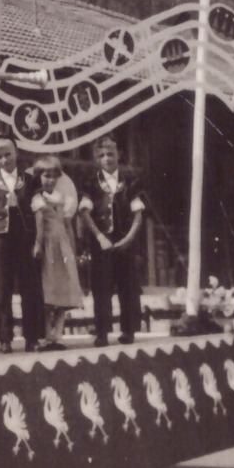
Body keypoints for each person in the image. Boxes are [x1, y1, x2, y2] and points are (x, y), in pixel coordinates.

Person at [0, 135, 45, 352]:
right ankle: (5, 339)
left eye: (7, 154)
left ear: (16, 153)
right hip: (0, 239)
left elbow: (39, 211)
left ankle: (31, 338)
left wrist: (38, 242)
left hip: (24, 237)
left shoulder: (30, 179)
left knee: (29, 288)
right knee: (2, 289)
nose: (4, 160)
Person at [78, 136, 146, 347]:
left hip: (125, 242)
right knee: (101, 287)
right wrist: (99, 237)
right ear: (97, 159)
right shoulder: (91, 183)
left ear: (119, 155)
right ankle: (102, 333)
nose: (106, 158)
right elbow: (85, 212)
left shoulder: (130, 181)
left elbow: (138, 214)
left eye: (110, 154)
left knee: (129, 286)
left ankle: (129, 330)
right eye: (102, 155)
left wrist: (128, 239)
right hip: (102, 244)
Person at [29, 156, 85, 346]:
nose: (50, 180)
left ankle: (59, 335)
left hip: (62, 248)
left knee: (63, 288)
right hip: (47, 247)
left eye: (54, 176)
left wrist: (73, 250)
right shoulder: (37, 199)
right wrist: (37, 244)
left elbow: (68, 226)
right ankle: (47, 334)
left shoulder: (64, 200)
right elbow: (36, 225)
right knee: (48, 290)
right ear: (38, 176)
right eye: (46, 176)